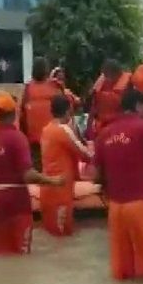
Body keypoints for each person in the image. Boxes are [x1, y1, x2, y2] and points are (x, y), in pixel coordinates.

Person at [90, 89, 143, 281]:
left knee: (123, 273)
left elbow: (94, 176)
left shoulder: (104, 133)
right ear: (138, 106)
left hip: (116, 209)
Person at [0, 92, 64, 256]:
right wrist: (53, 181)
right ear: (14, 112)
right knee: (21, 254)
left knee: (0, 253)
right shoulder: (17, 138)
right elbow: (27, 175)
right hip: (17, 201)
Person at [40, 95, 93, 236]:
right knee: (64, 235)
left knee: (52, 235)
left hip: (46, 188)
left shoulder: (46, 130)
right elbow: (85, 155)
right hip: (61, 189)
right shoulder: (63, 130)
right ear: (69, 110)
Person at [18, 57, 62, 170]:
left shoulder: (28, 88)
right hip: (52, 135)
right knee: (52, 165)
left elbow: (22, 113)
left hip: (34, 137)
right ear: (46, 70)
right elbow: (64, 109)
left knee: (37, 166)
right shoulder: (55, 86)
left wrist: (23, 132)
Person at [87, 59, 133, 139]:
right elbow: (93, 109)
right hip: (102, 126)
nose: (106, 78)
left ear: (117, 74)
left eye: (108, 75)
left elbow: (133, 110)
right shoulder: (101, 83)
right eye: (105, 75)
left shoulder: (129, 83)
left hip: (120, 126)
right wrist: (89, 129)